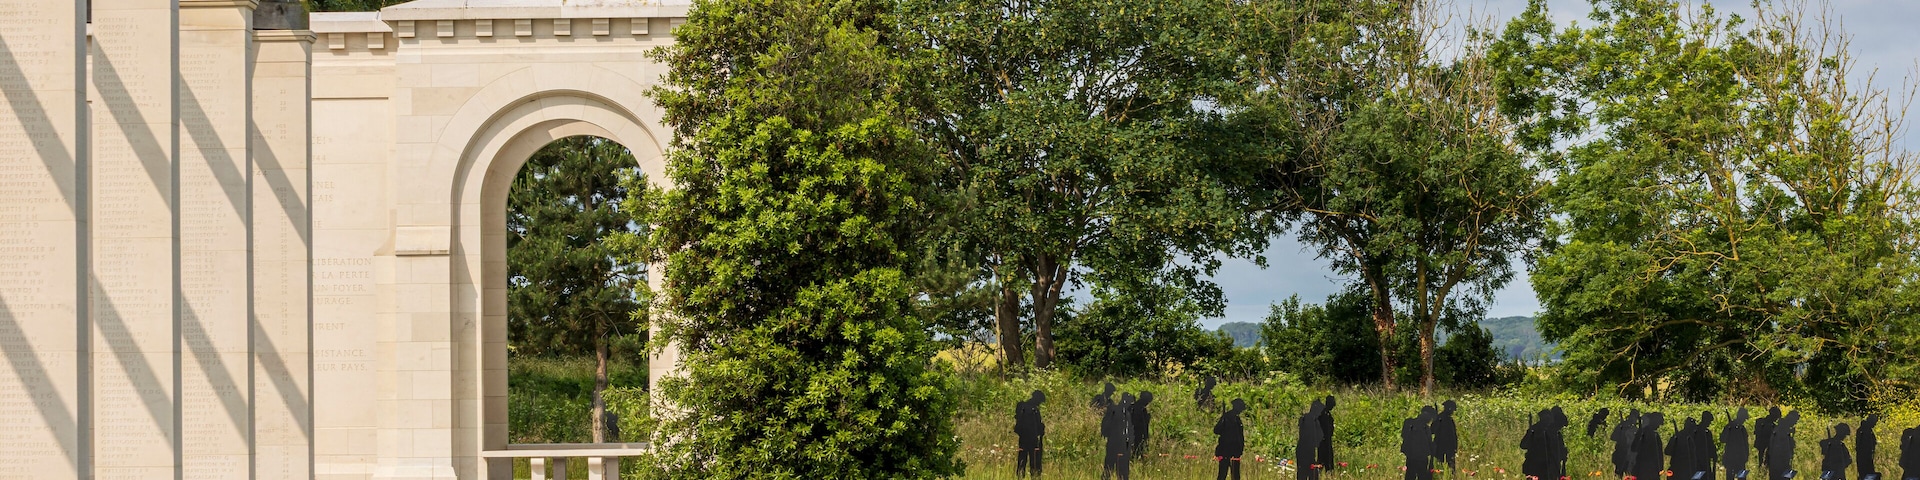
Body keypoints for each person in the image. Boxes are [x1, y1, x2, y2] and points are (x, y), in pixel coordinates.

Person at [1101, 393, 1134, 480]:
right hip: (1116, 445)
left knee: (1113, 469)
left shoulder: (1125, 413)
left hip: (1119, 445)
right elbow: (1120, 431)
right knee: (1113, 470)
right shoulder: (1118, 412)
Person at [1015, 390, 1047, 478]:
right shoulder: (1035, 410)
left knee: (1022, 461)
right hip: (1033, 440)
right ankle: (1035, 477)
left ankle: (1020, 477)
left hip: (1023, 439)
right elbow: (1038, 427)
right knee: (1035, 464)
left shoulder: (1023, 407)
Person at [1215, 399, 1247, 480]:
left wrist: (1240, 448)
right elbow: (1216, 430)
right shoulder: (1226, 417)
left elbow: (1239, 436)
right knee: (1222, 474)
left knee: (1236, 476)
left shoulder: (1237, 419)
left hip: (1235, 451)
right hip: (1225, 450)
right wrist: (1223, 423)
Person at [1402, 406, 1436, 480]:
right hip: (1419, 458)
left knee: (1411, 476)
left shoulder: (1409, 423)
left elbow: (1403, 435)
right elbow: (1430, 444)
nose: (1430, 420)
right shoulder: (1424, 427)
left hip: (1413, 456)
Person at [1633, 412, 1669, 480]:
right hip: (1651, 469)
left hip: (1641, 468)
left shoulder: (1640, 433)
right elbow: (1658, 454)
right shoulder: (1654, 435)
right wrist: (1660, 468)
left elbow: (1633, 449)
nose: (1658, 426)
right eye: (1658, 424)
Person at [1298, 400, 1326, 480]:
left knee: (1302, 473)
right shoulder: (1314, 420)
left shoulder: (1304, 418)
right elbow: (1319, 435)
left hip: (1302, 449)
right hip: (1308, 449)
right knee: (1312, 473)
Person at [1770, 411, 1801, 480]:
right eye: (1795, 420)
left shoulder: (1783, 427)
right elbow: (1781, 446)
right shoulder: (1782, 428)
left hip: (1782, 462)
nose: (1795, 423)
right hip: (1779, 463)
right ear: (1791, 418)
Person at [1433, 400, 1460, 474]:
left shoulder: (1447, 419)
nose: (1452, 412)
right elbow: (1432, 430)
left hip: (1448, 448)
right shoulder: (1441, 418)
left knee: (1450, 470)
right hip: (1441, 448)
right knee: (1441, 470)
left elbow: (1453, 435)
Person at [1724, 408, 1751, 480]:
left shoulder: (1742, 429)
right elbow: (1723, 439)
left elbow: (1745, 444)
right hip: (1731, 458)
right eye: (1743, 418)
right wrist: (1729, 429)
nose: (1744, 420)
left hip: (1741, 459)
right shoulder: (1730, 427)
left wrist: (1746, 456)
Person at [1613, 409, 1642, 477]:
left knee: (1631, 476)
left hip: (1632, 457)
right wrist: (1622, 431)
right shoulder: (1622, 426)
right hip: (1621, 454)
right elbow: (1613, 437)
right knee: (1618, 475)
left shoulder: (1637, 430)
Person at [1758, 407, 1782, 475]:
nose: (1776, 419)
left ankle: (1762, 473)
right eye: (1776, 417)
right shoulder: (1766, 424)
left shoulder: (1765, 423)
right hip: (1765, 446)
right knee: (1763, 463)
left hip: (1767, 447)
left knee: (1764, 464)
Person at [1320, 395, 1338, 473]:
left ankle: (1329, 471)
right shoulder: (1322, 413)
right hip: (1323, 440)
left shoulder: (1327, 413)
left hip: (1327, 439)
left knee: (1329, 457)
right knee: (1323, 457)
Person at [1859, 414, 1880, 480]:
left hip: (1867, 456)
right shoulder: (1865, 430)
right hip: (1865, 457)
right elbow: (1865, 444)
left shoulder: (1867, 430)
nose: (1875, 424)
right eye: (1874, 422)